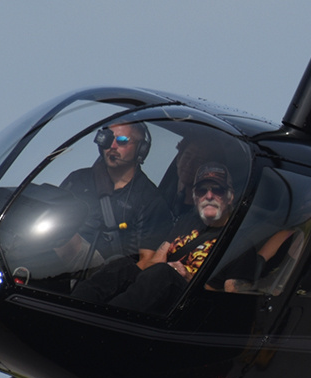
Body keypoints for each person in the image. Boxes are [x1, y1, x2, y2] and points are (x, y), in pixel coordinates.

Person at [73, 163, 239, 313]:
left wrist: (190, 279)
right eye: (202, 191)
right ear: (195, 197)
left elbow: (228, 305)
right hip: (160, 286)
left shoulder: (239, 242)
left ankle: (109, 321)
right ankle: (76, 309)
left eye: (217, 190)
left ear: (230, 197)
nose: (209, 196)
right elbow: (156, 260)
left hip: (191, 301)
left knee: (163, 273)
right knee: (123, 266)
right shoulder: (187, 222)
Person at [58, 121, 172, 268]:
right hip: (58, 260)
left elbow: (147, 260)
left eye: (122, 141)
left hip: (105, 270)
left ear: (141, 149)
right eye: (108, 139)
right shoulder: (78, 179)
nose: (112, 146)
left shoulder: (150, 199)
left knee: (62, 238)